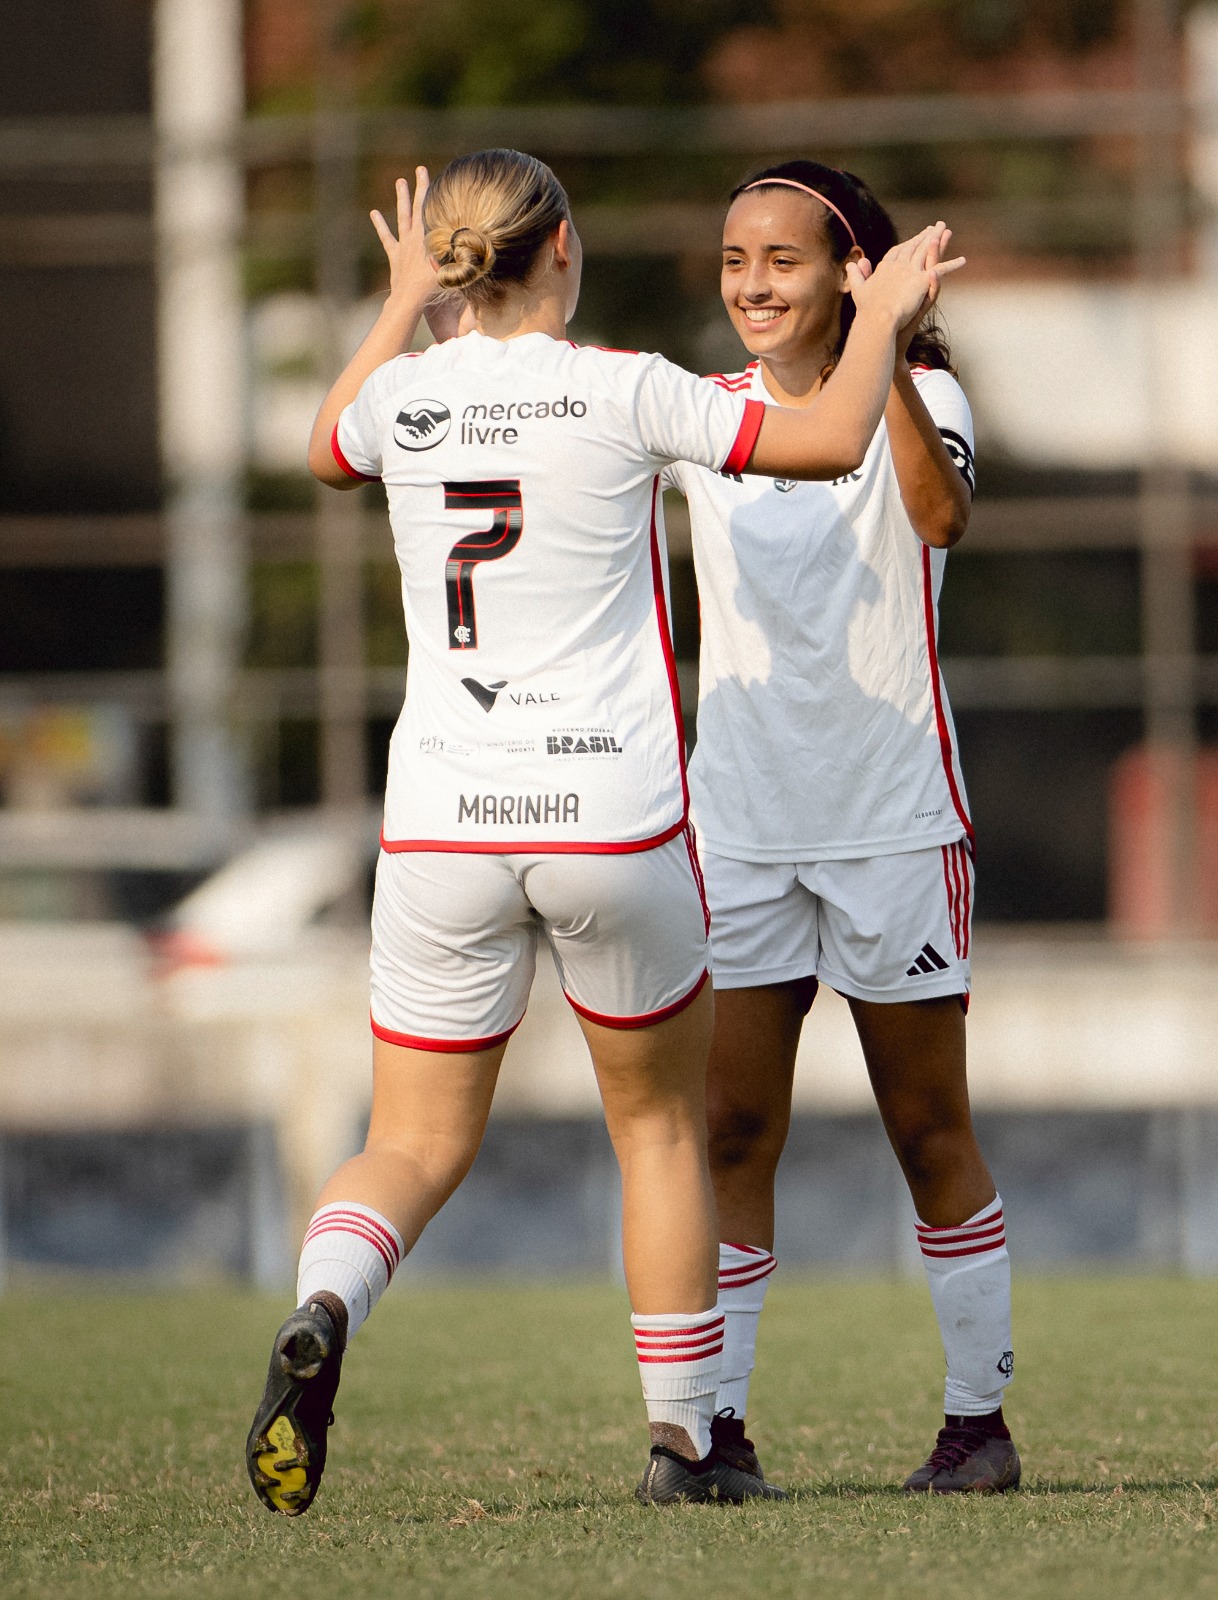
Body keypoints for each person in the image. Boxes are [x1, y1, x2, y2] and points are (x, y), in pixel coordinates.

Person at [242, 149, 963, 1513]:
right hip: (611, 823)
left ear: (455, 264)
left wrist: (399, 306)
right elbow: (820, 443)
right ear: (563, 246)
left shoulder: (398, 400)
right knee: (660, 1135)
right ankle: (684, 1444)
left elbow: (323, 444)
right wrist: (879, 314)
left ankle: (328, 1302)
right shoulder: (624, 385)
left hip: (444, 830)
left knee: (412, 1144)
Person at [663, 159, 1017, 1494]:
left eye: (785, 260)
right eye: (735, 258)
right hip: (742, 828)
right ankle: (717, 1430)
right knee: (731, 1134)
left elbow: (940, 516)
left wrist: (883, 340)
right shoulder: (702, 413)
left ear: (852, 272)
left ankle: (979, 1425)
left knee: (928, 1127)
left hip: (890, 821)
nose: (754, 284)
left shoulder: (927, 399)